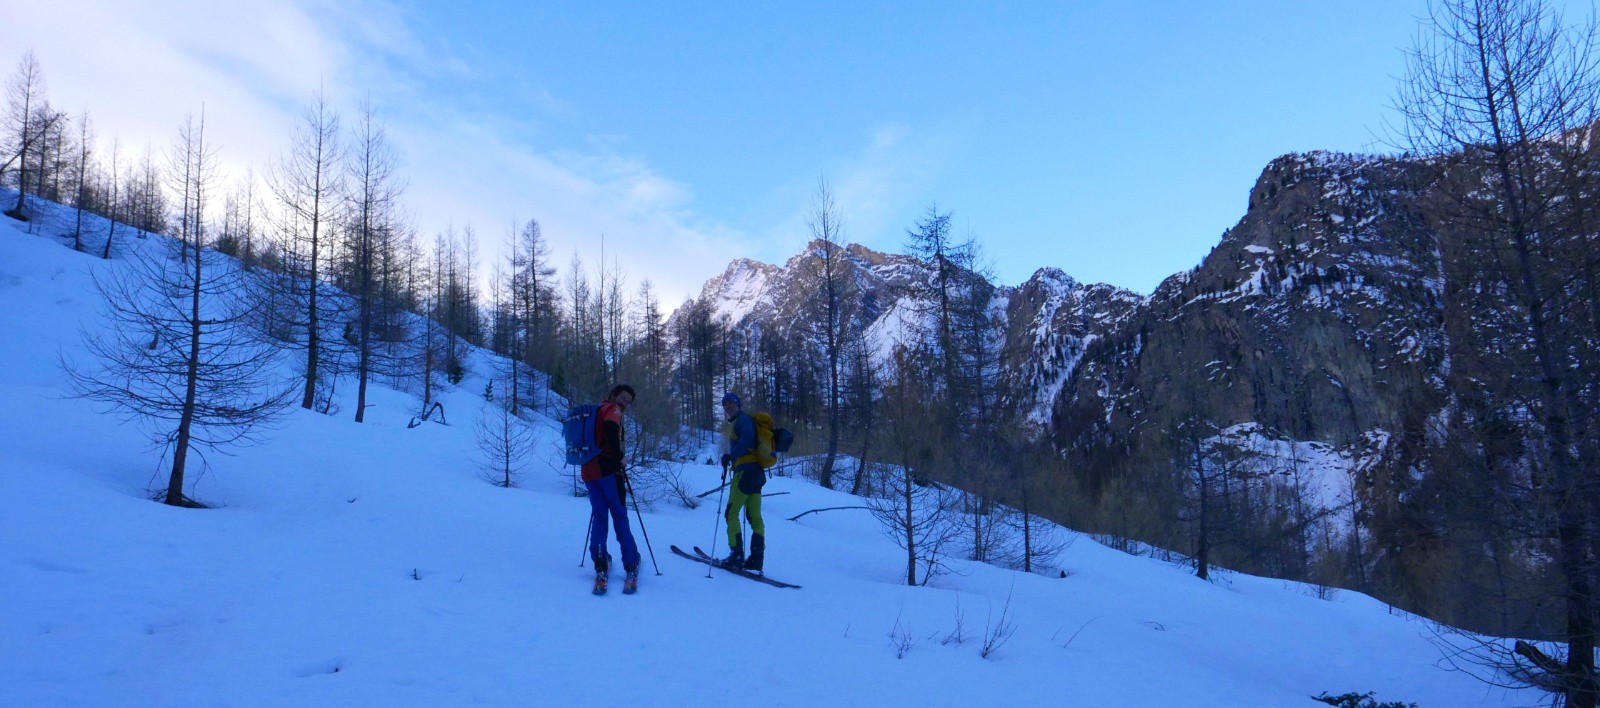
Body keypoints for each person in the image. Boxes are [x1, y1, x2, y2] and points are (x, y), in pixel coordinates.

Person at [585, 384, 640, 594]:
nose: (625, 403)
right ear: (614, 396)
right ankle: (631, 562)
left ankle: (600, 562)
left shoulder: (596, 410)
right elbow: (609, 429)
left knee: (599, 516)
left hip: (589, 471)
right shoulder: (613, 410)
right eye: (624, 397)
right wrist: (619, 457)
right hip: (608, 470)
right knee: (619, 515)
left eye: (629, 401)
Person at [718, 391, 766, 572]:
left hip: (745, 473)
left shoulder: (743, 420)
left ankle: (736, 555)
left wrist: (732, 455)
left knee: (731, 513)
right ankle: (756, 559)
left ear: (738, 405)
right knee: (755, 517)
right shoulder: (746, 420)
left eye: (731, 403)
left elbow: (747, 437)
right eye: (725, 404)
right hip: (757, 474)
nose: (727, 407)